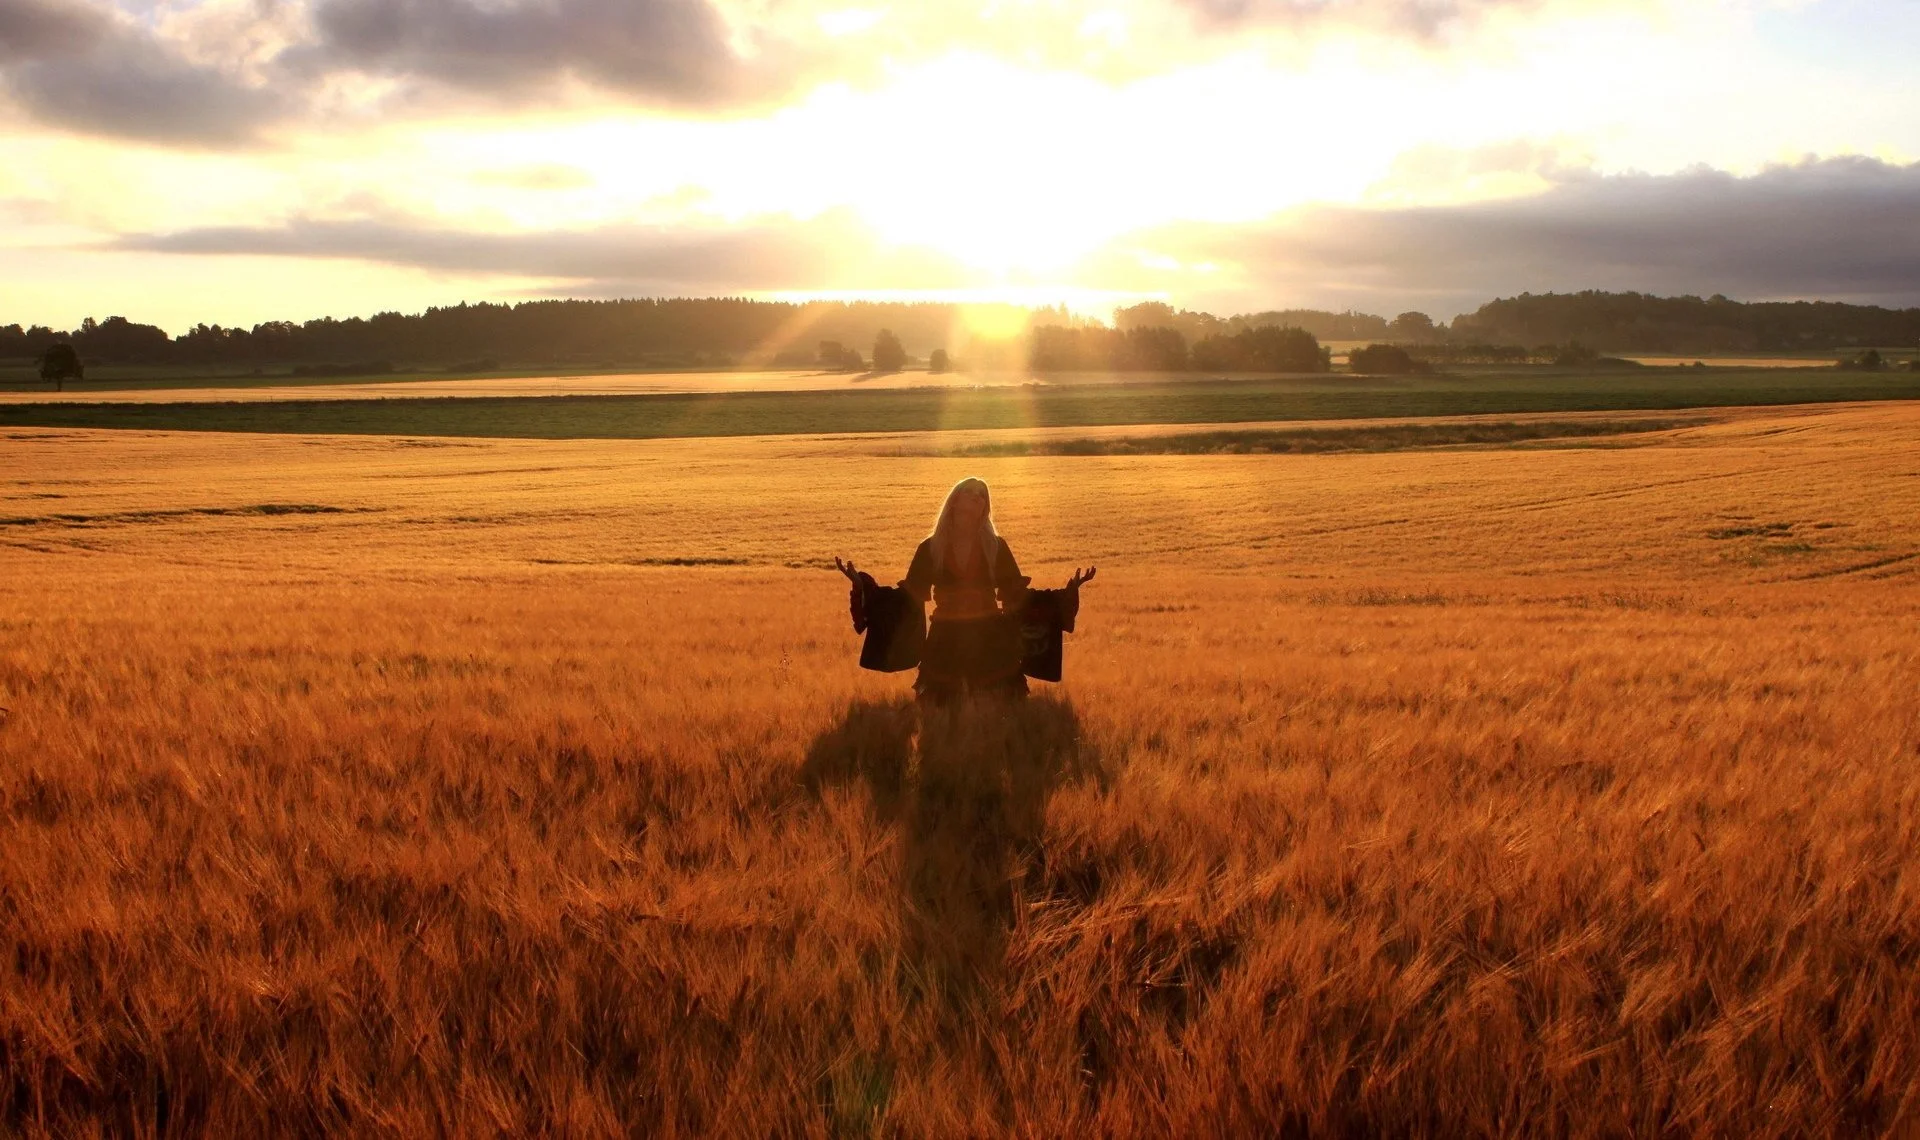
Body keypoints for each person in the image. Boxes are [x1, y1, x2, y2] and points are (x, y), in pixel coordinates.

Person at [836, 478, 1094, 703]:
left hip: (990, 636)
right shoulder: (930, 548)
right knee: (940, 707)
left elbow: (1017, 595)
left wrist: (1065, 595)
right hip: (945, 638)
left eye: (982, 495)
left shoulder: (995, 546)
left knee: (999, 706)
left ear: (985, 507)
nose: (977, 497)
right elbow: (908, 597)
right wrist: (863, 587)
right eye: (970, 492)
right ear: (955, 501)